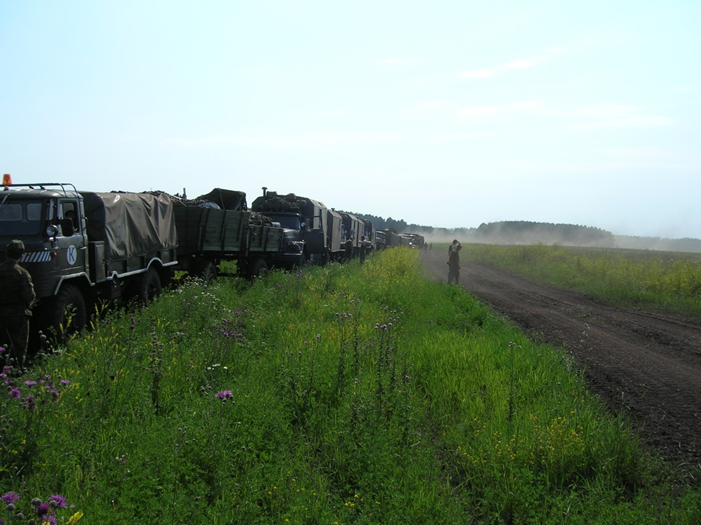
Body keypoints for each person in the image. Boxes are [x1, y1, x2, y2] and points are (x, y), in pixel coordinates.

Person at [0, 240, 36, 369]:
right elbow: (29, 296)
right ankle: (17, 372)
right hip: (17, 315)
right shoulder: (22, 273)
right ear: (21, 255)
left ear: (6, 253)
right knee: (18, 347)